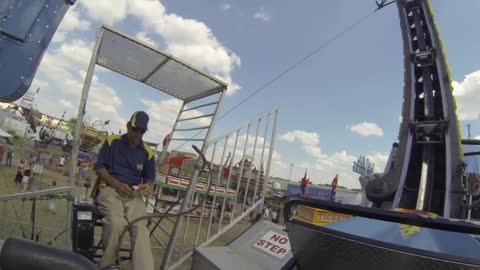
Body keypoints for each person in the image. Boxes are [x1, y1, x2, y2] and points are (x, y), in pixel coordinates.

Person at [95, 111, 155, 270]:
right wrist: (115, 184)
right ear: (128, 126)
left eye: (142, 131)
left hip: (134, 196)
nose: (138, 134)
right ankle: (107, 266)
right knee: (116, 223)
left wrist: (148, 186)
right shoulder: (112, 142)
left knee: (141, 228)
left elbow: (150, 179)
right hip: (110, 191)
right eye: (135, 130)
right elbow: (99, 168)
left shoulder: (148, 152)